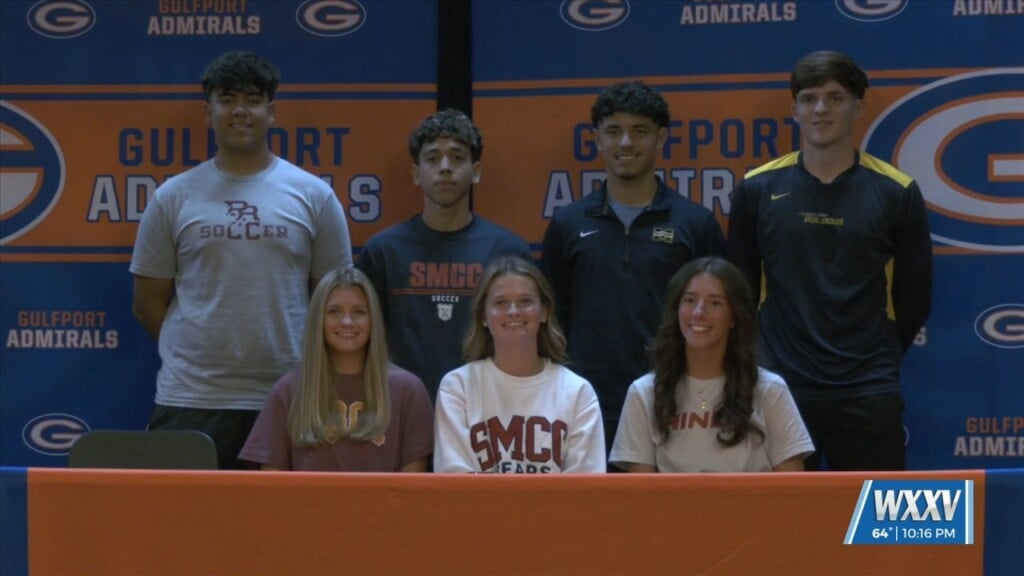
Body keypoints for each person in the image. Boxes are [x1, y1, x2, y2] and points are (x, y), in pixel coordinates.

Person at [130, 51, 352, 469]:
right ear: (208, 111)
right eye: (227, 99)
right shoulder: (172, 197)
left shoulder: (313, 196)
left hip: (289, 394)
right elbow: (147, 304)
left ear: (272, 112)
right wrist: (199, 348)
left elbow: (333, 303)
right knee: (185, 528)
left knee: (280, 531)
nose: (239, 110)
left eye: (252, 99)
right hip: (191, 399)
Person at [727, 51, 932, 471]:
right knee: (773, 528)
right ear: (794, 109)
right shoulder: (757, 189)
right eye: (810, 98)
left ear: (859, 106)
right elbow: (739, 290)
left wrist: (877, 358)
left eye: (836, 98)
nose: (821, 109)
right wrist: (762, 363)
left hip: (868, 388)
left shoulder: (897, 191)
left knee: (882, 527)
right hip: (779, 385)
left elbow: (914, 297)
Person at [541, 81, 725, 455]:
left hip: (676, 398)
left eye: (639, 131)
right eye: (613, 131)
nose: (626, 143)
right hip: (586, 399)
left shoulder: (696, 223)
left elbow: (721, 315)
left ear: (661, 139)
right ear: (596, 139)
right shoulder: (568, 224)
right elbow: (552, 319)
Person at [358, 109, 532, 399]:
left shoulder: (507, 251)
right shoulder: (384, 252)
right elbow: (365, 342)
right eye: (432, 158)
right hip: (401, 407)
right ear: (416, 173)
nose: (445, 166)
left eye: (458, 157)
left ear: (476, 171)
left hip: (488, 404)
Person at [610, 258, 813, 472]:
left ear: (734, 317)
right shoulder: (643, 393)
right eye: (689, 300)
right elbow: (641, 496)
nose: (699, 312)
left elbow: (793, 490)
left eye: (715, 303)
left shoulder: (771, 390)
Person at [239, 267, 433, 471]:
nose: (347, 322)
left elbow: (413, 491)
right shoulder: (288, 390)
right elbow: (272, 488)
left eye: (358, 312)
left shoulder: (408, 391)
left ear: (373, 319)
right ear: (318, 320)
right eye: (334, 311)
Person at [434, 256, 605, 473]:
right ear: (483, 316)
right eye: (500, 302)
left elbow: (585, 492)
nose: (513, 311)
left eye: (525, 301)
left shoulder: (578, 392)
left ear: (544, 311)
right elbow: (454, 482)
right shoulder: (458, 387)